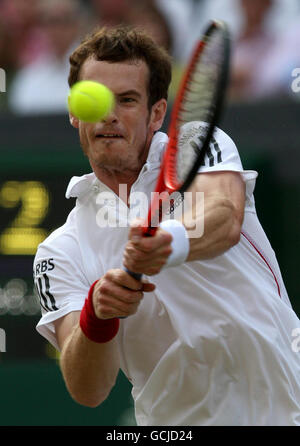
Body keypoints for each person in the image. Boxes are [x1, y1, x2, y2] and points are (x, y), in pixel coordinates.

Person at [34, 26, 300, 426]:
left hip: (284, 409)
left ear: (156, 113)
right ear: (75, 111)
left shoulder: (196, 142)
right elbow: (87, 390)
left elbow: (223, 215)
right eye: (96, 100)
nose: (108, 114)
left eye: (126, 100)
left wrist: (168, 241)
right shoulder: (59, 251)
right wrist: (97, 315)